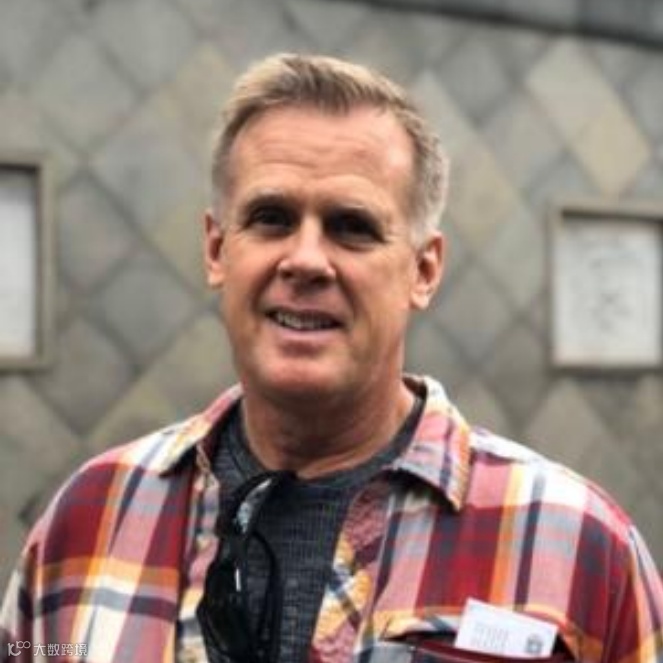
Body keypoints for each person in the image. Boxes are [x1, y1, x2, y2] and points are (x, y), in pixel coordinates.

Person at [1, 53, 662, 663]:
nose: (306, 260)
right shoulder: (86, 521)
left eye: (352, 226)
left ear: (424, 270)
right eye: (271, 217)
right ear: (216, 249)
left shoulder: (577, 547)